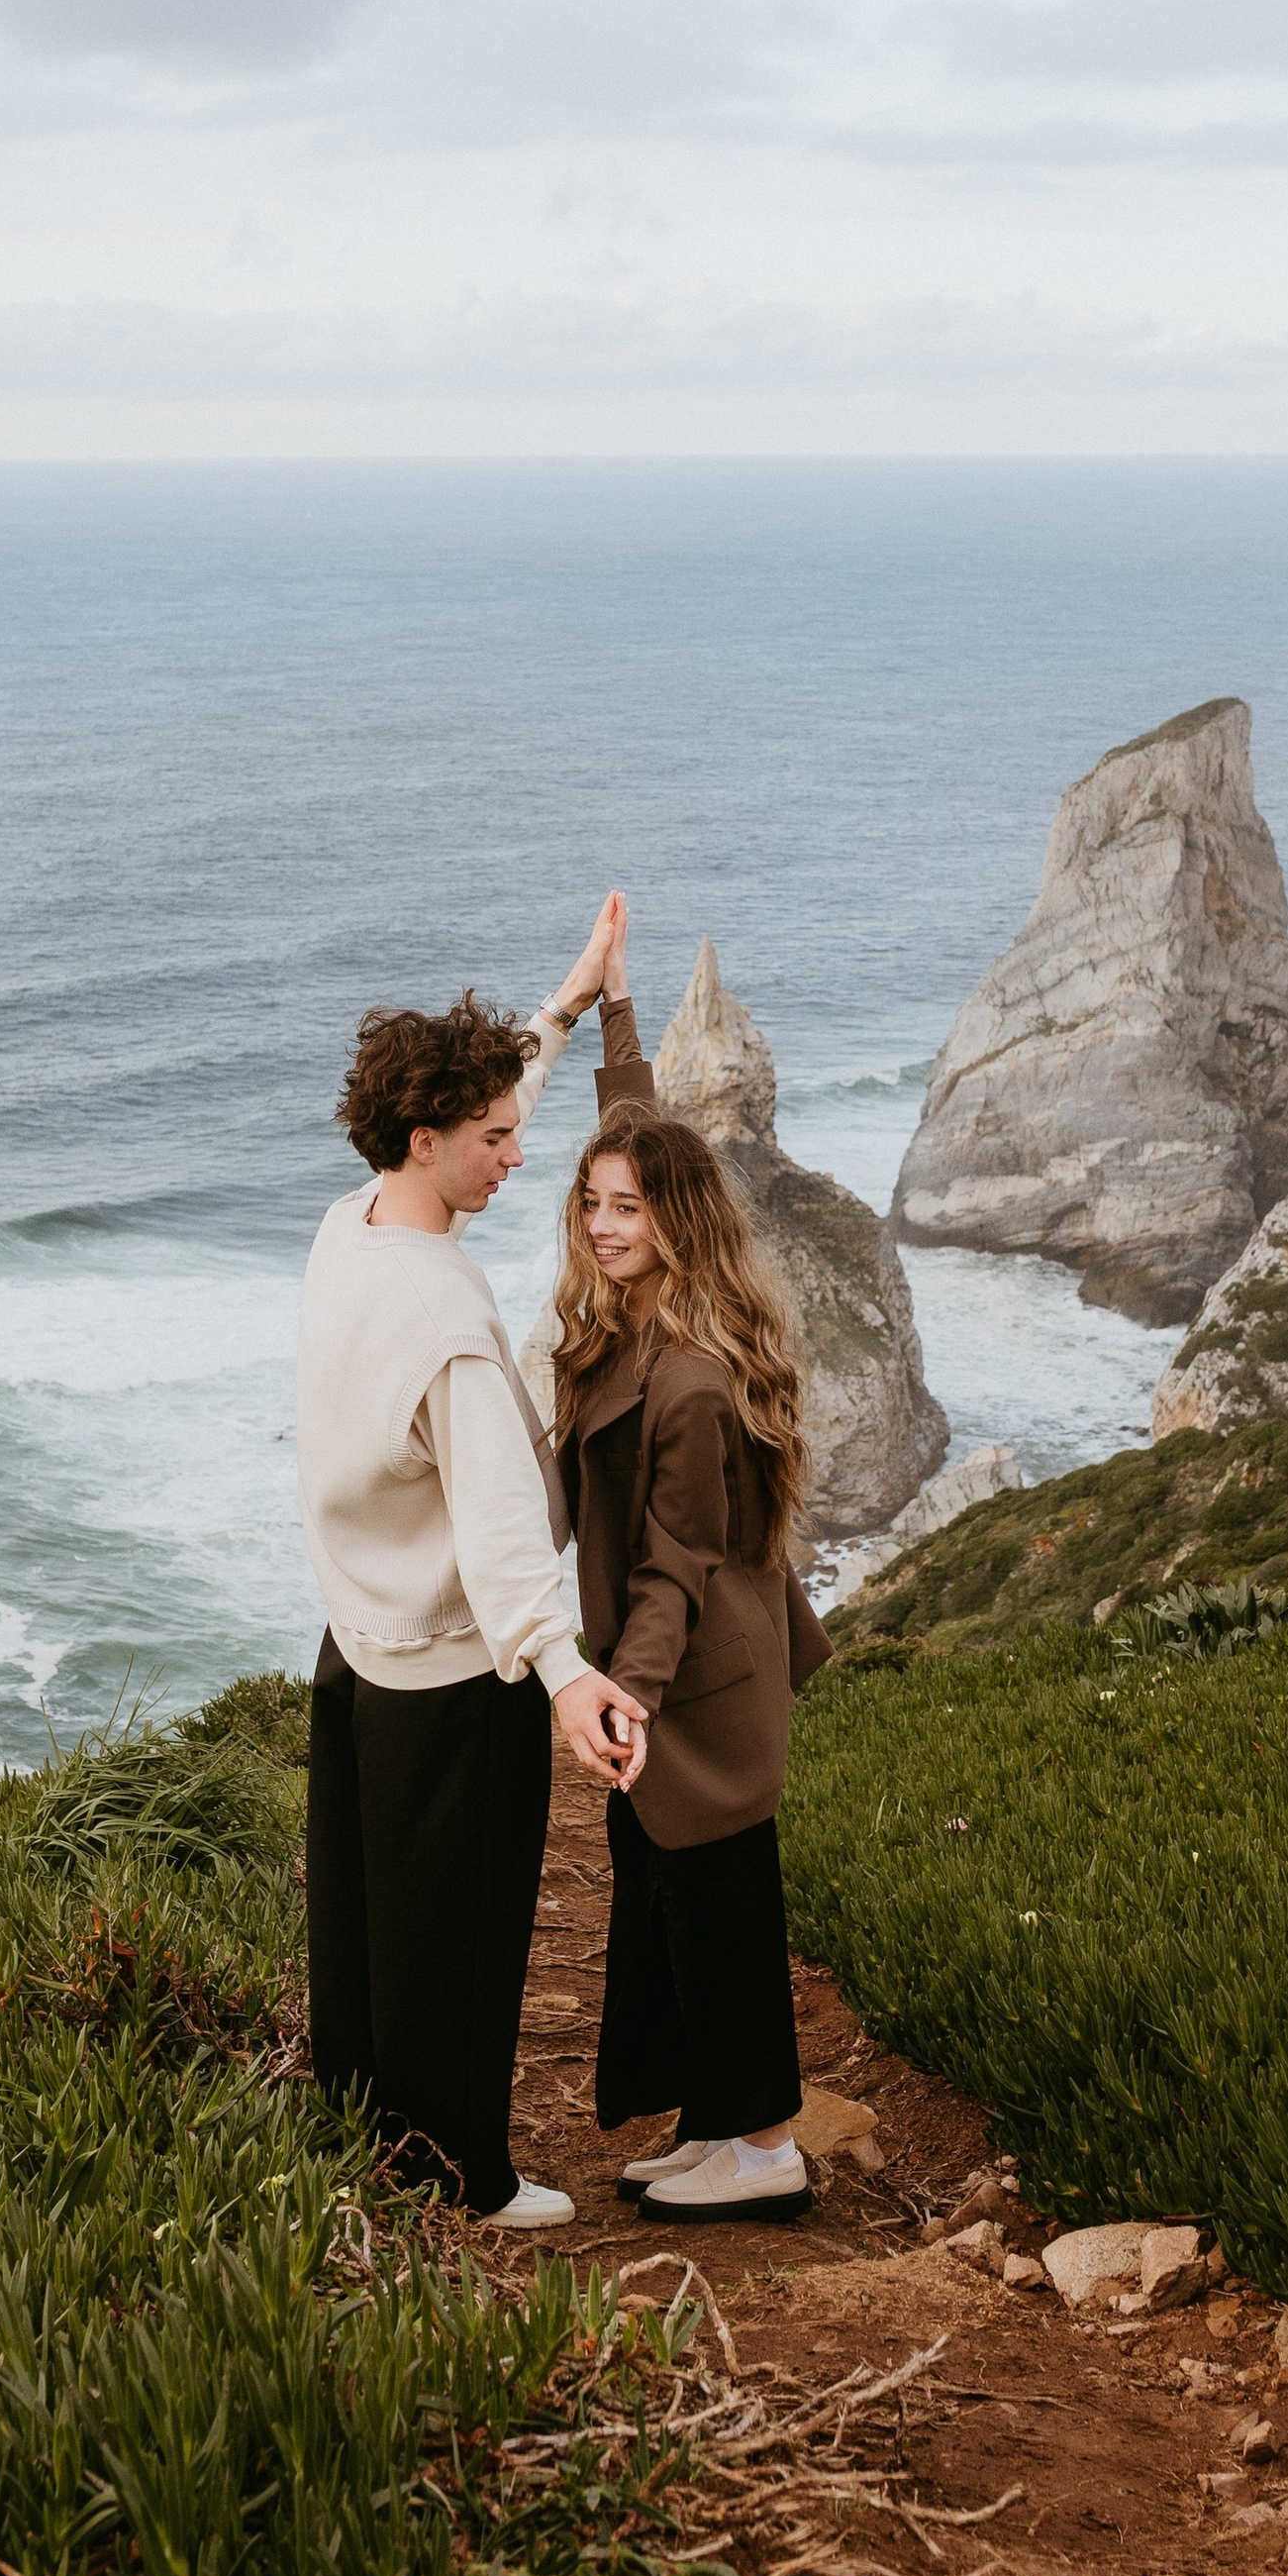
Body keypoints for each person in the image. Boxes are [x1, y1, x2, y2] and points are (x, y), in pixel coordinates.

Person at [296, 899, 649, 2234]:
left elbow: (478, 1110)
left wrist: (560, 1010)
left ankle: (361, 2136)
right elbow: (504, 1522)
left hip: (357, 1645)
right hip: (454, 1675)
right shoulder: (443, 1315)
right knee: (463, 1932)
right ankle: (465, 2181)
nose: (519, 1155)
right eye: (496, 1139)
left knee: (365, 1925)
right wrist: (564, 1673)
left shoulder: (354, 1225)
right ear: (428, 1140)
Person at [548, 929, 834, 2226]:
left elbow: (673, 1565)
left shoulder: (692, 1380)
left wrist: (630, 1698)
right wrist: (615, 1012)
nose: (604, 1226)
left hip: (701, 1681)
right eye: (593, 1204)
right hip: (688, 1660)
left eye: (630, 1208)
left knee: (721, 1912)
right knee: (673, 1902)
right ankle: (719, 2125)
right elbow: (638, 1128)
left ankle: (765, 2149)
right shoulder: (646, 1318)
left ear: (677, 1224)